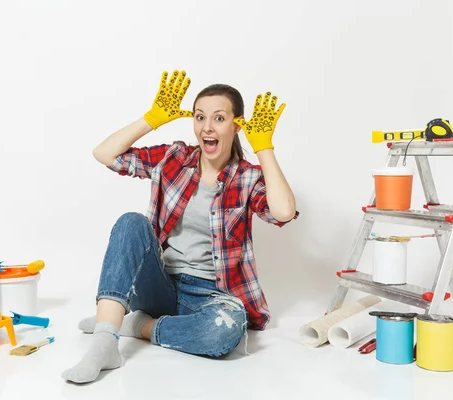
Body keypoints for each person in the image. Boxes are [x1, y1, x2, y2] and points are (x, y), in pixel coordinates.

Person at [62, 70, 299, 384]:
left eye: (218, 118)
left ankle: (136, 326)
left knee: (226, 331)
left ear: (236, 125)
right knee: (131, 223)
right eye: (200, 117)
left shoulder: (247, 177)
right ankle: (105, 342)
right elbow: (104, 154)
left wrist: (263, 148)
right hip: (159, 284)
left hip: (209, 295)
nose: (207, 127)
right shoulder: (175, 157)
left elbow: (283, 211)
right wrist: (152, 118)